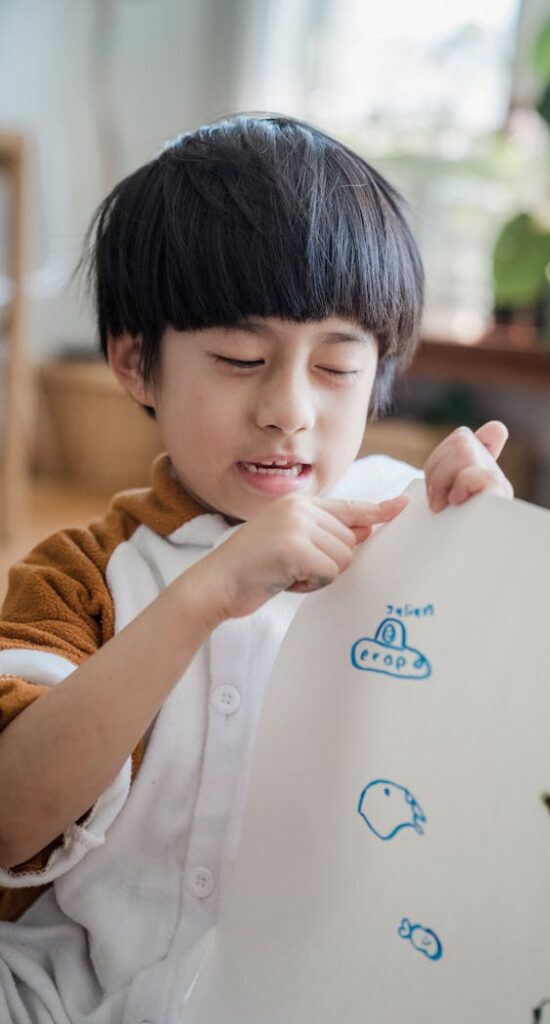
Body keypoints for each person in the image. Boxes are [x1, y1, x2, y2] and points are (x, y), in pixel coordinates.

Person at [0, 113, 513, 1023]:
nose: (288, 409)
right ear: (135, 363)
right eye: (240, 360)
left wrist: (484, 558)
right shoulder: (79, 577)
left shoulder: (408, 532)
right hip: (59, 997)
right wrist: (202, 597)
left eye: (336, 365)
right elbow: (11, 816)